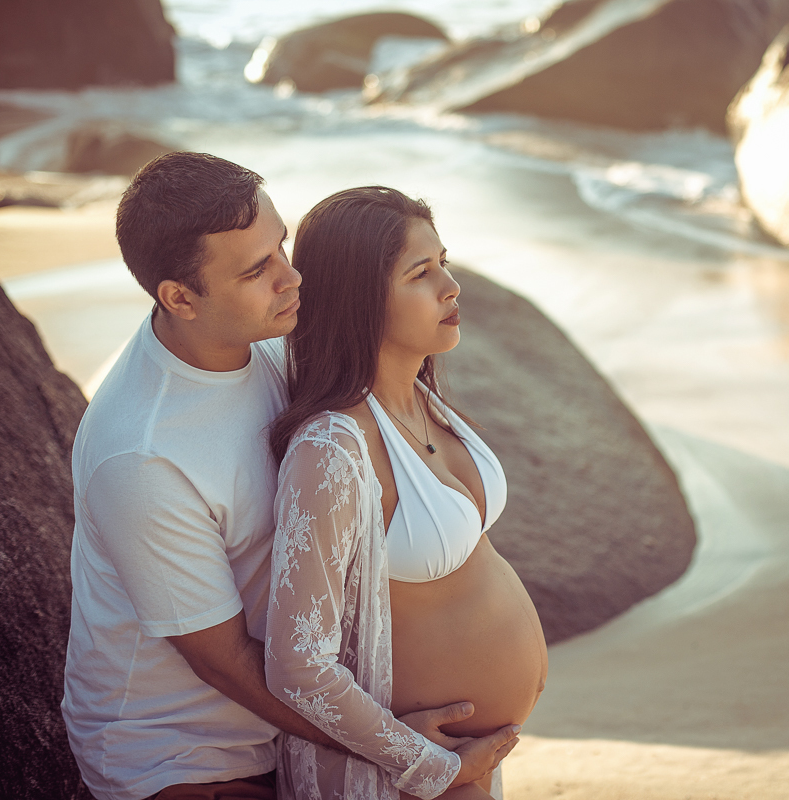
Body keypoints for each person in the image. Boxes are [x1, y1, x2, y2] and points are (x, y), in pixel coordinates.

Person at [62, 154, 515, 800]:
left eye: (280, 246)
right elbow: (224, 661)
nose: (291, 277)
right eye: (257, 270)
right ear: (180, 297)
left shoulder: (273, 343)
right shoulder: (141, 455)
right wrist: (403, 750)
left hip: (295, 722)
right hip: (190, 757)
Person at [265, 187, 549, 800]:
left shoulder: (420, 396)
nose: (450, 286)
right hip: (407, 777)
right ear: (357, 298)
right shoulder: (331, 449)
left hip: (462, 767)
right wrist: (427, 764)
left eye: (443, 262)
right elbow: (297, 665)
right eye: (421, 273)